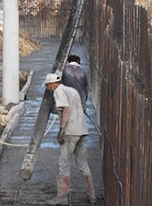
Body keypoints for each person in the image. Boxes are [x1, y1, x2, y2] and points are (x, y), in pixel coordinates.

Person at [44, 73, 96, 205]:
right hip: (82, 130)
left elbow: (66, 109)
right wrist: (55, 110)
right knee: (83, 164)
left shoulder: (58, 91)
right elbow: (72, 108)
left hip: (70, 132)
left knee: (63, 163)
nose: (48, 88)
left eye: (47, 85)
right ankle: (92, 196)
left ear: (52, 84)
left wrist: (62, 129)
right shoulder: (72, 91)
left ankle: (62, 197)